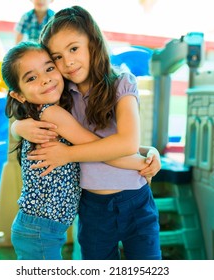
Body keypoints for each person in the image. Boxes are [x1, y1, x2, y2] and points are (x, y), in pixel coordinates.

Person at [12, 6, 162, 260]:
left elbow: (126, 142)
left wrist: (69, 154)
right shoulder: (61, 93)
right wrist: (17, 127)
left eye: (73, 49)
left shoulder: (121, 83)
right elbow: (24, 103)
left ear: (93, 43)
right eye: (57, 57)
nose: (67, 62)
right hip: (93, 206)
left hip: (135, 200)